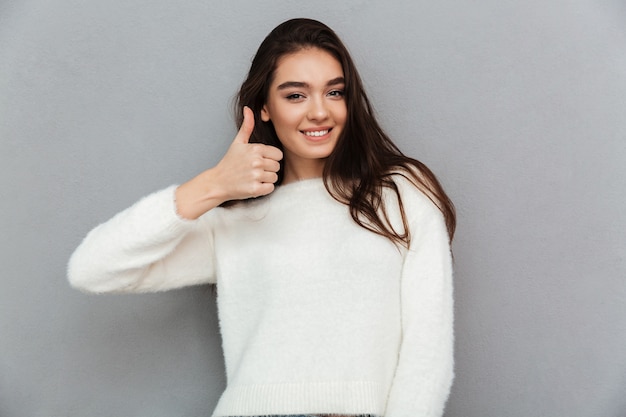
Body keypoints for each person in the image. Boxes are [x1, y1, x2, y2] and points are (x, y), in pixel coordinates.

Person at [68, 18, 456, 417]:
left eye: (335, 92)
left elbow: (428, 347)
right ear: (265, 108)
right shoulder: (235, 220)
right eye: (295, 96)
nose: (319, 112)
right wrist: (213, 185)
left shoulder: (399, 193)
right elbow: (92, 269)